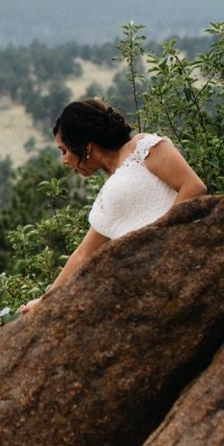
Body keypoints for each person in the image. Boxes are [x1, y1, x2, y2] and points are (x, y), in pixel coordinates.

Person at [22, 98, 206, 312]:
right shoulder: (107, 193)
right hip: (149, 279)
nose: (64, 160)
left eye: (64, 151)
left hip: (182, 255)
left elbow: (193, 187)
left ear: (86, 146)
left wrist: (158, 241)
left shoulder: (142, 146)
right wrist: (45, 301)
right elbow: (83, 254)